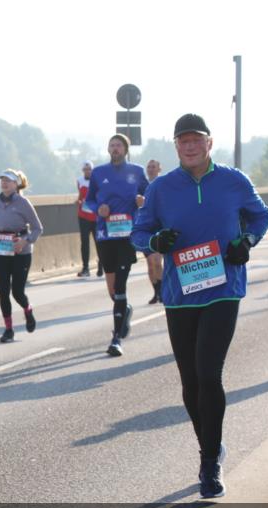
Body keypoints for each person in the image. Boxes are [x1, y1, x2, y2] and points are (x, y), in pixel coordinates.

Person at [132, 113, 268, 499]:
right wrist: (155, 242)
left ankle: (209, 462)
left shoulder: (233, 181)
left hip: (224, 287)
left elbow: (261, 216)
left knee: (209, 373)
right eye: (183, 141)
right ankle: (210, 443)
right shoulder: (161, 188)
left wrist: (247, 241)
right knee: (190, 382)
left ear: (209, 144)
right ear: (176, 146)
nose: (190, 147)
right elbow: (138, 233)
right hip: (180, 293)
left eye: (196, 140)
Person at [85, 134, 149, 356]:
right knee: (113, 291)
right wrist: (98, 208)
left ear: (126, 149)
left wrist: (142, 200)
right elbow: (89, 200)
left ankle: (116, 338)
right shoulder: (99, 173)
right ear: (108, 149)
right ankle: (124, 310)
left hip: (127, 236)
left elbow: (149, 195)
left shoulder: (137, 172)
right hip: (105, 235)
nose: (115, 149)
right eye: (112, 145)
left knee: (120, 286)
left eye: (119, 145)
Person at [0, 169, 43, 342]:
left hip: (21, 252)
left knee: (17, 292)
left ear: (16, 184)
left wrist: (25, 241)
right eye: (2, 180)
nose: (4, 183)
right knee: (3, 291)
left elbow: (38, 228)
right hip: (2, 251)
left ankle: (28, 310)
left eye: (8, 180)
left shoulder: (23, 202)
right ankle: (8, 329)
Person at [76, 161, 102, 277]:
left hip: (96, 216)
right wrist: (79, 201)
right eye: (85, 169)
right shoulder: (79, 181)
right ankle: (85, 268)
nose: (87, 171)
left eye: (89, 169)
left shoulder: (98, 181)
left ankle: (101, 265)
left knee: (99, 242)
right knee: (84, 242)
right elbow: (80, 196)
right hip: (83, 216)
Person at [144, 159, 164, 304]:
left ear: (159, 169)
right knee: (150, 265)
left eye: (153, 167)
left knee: (157, 261)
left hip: (159, 228)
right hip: (145, 230)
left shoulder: (164, 184)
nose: (151, 169)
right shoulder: (142, 185)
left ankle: (163, 292)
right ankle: (156, 292)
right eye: (149, 167)